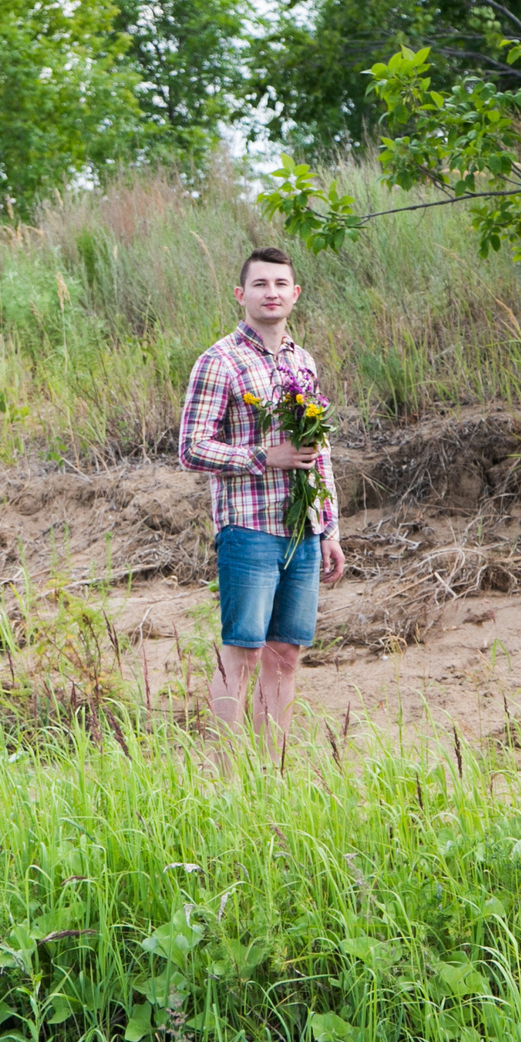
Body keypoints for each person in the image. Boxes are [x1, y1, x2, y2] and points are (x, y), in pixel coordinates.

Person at [176, 246, 346, 753]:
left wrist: (329, 528)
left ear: (295, 294)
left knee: (285, 655)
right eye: (260, 284)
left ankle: (271, 775)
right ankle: (228, 777)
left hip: (302, 533)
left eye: (280, 284)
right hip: (248, 529)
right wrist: (263, 457)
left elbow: (319, 452)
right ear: (241, 294)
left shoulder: (302, 361)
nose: (271, 293)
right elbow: (191, 448)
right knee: (243, 654)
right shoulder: (219, 361)